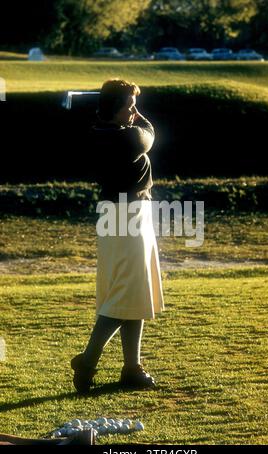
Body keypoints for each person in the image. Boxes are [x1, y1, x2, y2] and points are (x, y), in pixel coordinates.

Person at [71, 79, 164, 394]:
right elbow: (150, 133)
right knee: (123, 295)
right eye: (129, 105)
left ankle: (132, 368)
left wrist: (122, 106)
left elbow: (131, 124)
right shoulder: (127, 139)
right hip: (127, 218)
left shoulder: (101, 132)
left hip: (122, 215)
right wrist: (137, 113)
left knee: (132, 293)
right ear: (115, 109)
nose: (134, 110)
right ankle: (88, 360)